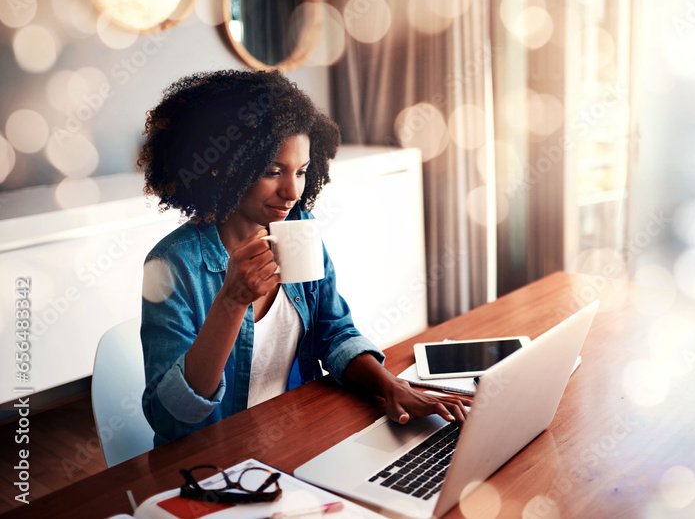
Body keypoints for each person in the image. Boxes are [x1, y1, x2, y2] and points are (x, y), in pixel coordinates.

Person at [137, 70, 467, 446]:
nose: (292, 191)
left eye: (302, 171)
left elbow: (335, 332)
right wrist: (231, 300)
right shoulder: (172, 265)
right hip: (215, 461)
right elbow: (169, 418)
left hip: (296, 436)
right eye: (272, 171)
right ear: (220, 166)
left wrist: (392, 386)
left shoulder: (298, 228)